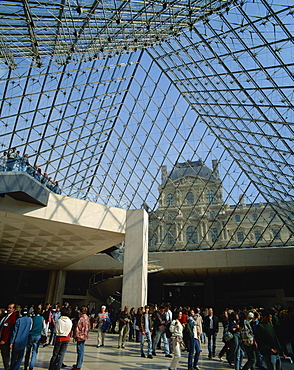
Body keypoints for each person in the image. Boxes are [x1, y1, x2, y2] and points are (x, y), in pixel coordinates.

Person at [0, 303, 18, 370]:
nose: (8, 309)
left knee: (5, 355)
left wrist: (4, 339)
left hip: (6, 340)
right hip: (1, 337)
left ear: (13, 309)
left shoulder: (14, 317)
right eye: (8, 307)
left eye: (10, 308)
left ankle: (7, 367)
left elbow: (10, 330)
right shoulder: (5, 316)